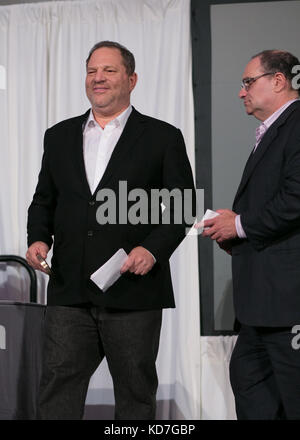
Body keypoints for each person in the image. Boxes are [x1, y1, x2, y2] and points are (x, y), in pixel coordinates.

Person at [26, 41, 195, 420]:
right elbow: (44, 200)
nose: (97, 78)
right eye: (91, 71)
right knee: (56, 390)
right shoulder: (58, 136)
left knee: (135, 396)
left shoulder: (163, 137)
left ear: (131, 79)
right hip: (69, 290)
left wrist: (152, 250)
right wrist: (38, 237)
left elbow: (183, 207)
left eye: (109, 70)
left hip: (134, 291)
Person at [202, 50, 300, 419]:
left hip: (288, 305)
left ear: (277, 81)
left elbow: (296, 198)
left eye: (247, 82)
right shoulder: (275, 129)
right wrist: (238, 231)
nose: (241, 92)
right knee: (251, 387)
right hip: (261, 309)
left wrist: (240, 225)